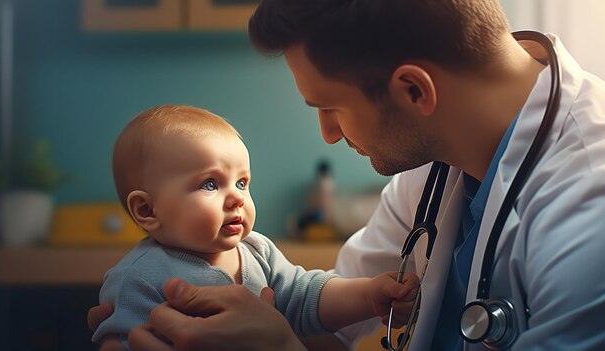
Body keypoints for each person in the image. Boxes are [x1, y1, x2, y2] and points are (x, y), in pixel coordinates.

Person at [89, 0, 605, 349]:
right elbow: (322, 317)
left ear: (414, 91)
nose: (329, 135)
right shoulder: (431, 170)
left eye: (330, 107)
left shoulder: (587, 208)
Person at [90, 105, 419, 350]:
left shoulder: (257, 251)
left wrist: (368, 295)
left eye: (242, 182)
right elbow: (121, 340)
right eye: (209, 184)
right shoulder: (138, 276)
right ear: (147, 210)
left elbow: (305, 296)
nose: (237, 197)